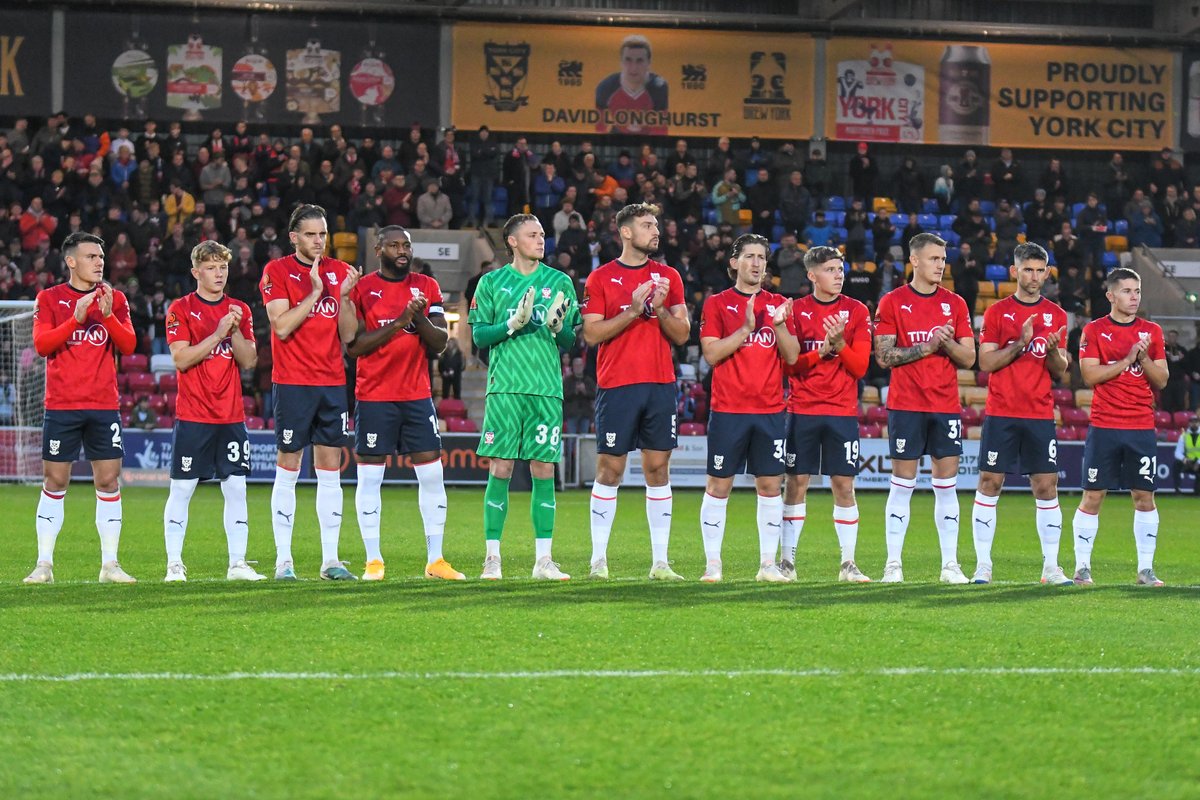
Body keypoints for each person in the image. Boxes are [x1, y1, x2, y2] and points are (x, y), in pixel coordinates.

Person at [341, 226, 464, 582]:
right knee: (369, 480)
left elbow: (439, 342)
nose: (402, 250)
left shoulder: (427, 286)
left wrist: (419, 316)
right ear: (378, 250)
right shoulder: (363, 289)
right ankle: (374, 560)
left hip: (416, 396)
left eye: (406, 245)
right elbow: (355, 347)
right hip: (374, 396)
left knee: (432, 476)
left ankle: (436, 560)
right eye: (394, 244)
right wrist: (400, 321)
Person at [581, 203, 690, 579]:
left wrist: (659, 310)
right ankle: (598, 559)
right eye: (646, 225)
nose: (655, 231)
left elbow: (683, 334)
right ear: (625, 232)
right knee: (610, 470)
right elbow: (591, 334)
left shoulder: (669, 276)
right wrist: (632, 310)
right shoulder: (601, 278)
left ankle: (660, 562)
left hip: (660, 384)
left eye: (656, 225)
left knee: (658, 469)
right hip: (617, 385)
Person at [469, 214, 581, 580]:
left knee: (544, 469)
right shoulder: (491, 282)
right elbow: (480, 338)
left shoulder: (560, 281)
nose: (541, 240)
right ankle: (492, 559)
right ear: (513, 241)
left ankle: (543, 561)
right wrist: (510, 324)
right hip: (505, 387)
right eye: (533, 235)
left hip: (546, 388)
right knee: (500, 468)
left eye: (543, 235)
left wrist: (558, 326)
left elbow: (569, 341)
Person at [25, 232, 138, 584]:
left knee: (108, 479)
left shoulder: (115, 299)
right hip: (62, 406)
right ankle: (44, 564)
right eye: (91, 256)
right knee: (55, 479)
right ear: (71, 261)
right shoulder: (49, 298)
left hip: (104, 405)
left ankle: (110, 565)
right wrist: (75, 319)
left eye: (101, 256)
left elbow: (130, 346)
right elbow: (42, 345)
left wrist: (105, 317)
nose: (100, 262)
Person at [260, 204, 361, 581]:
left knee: (330, 472)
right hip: (292, 383)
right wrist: (315, 292)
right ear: (294, 237)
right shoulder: (277, 271)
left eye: (322, 235)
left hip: (332, 383)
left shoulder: (339, 272)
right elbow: (282, 326)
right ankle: (283, 561)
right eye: (310, 235)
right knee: (288, 469)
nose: (318, 241)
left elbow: (349, 336)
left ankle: (330, 560)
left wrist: (346, 297)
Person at [873, 232, 976, 584]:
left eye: (943, 260)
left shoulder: (956, 304)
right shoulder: (892, 302)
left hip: (945, 405)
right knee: (902, 484)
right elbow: (884, 357)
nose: (940, 265)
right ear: (914, 261)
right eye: (934, 259)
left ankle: (950, 565)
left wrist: (945, 344)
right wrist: (930, 346)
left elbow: (969, 357)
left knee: (946, 486)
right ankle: (893, 565)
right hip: (906, 405)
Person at [697, 234, 800, 582]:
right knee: (718, 485)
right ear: (734, 263)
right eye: (750, 257)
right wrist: (745, 329)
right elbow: (711, 354)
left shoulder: (780, 304)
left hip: (770, 411)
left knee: (771, 486)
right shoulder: (717, 304)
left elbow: (792, 357)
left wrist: (780, 325)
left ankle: (767, 566)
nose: (757, 263)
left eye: (761, 257)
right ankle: (713, 565)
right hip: (728, 410)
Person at [161, 241, 265, 582]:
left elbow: (249, 362)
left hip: (231, 416)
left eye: (222, 267)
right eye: (210, 267)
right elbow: (181, 359)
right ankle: (174, 564)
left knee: (236, 488)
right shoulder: (181, 308)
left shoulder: (239, 309)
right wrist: (218, 332)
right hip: (193, 415)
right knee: (183, 489)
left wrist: (232, 331)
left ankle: (237, 563)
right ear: (196, 272)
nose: (218, 273)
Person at [971, 243, 1073, 586]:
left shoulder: (1057, 315)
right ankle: (983, 566)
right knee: (990, 482)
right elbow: (985, 362)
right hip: (1001, 411)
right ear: (1014, 272)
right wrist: (1020, 343)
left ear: (1047, 272)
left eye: (1040, 270)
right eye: (1027, 269)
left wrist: (1056, 353)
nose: (1034, 276)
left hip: (1039, 413)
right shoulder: (998, 313)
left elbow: (1060, 371)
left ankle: (1051, 567)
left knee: (1046, 486)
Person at [781, 246, 872, 582]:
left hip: (841, 412)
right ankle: (787, 563)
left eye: (840, 268)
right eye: (831, 269)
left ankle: (848, 564)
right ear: (811, 275)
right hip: (802, 410)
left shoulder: (857, 311)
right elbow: (790, 367)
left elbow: (860, 367)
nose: (839, 275)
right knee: (796, 484)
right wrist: (822, 351)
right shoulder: (795, 311)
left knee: (843, 486)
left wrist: (840, 345)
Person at [1073, 268, 1169, 587]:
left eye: (1137, 291)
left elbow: (1162, 380)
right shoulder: (1095, 330)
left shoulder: (1152, 331)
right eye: (1127, 291)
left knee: (1144, 496)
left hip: (1141, 425)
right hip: (1105, 424)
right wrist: (1128, 360)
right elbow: (1090, 376)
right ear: (1110, 295)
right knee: (1093, 496)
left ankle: (1145, 569)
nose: (1134, 297)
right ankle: (1082, 566)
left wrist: (1145, 359)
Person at [595, 34, 668, 135]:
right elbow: (600, 129)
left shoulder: (658, 87)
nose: (633, 67)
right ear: (621, 62)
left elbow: (661, 130)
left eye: (640, 61)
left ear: (649, 63)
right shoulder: (606, 87)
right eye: (628, 60)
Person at [1173, 416, 1200, 494]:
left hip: (1198, 461)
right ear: (1189, 424)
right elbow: (1177, 452)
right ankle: (1177, 490)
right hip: (1188, 461)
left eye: (1196, 422)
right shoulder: (1184, 436)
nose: (1194, 424)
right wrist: (1184, 459)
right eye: (1192, 422)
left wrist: (1198, 462)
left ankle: (1197, 491)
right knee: (1176, 464)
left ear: (1199, 423)